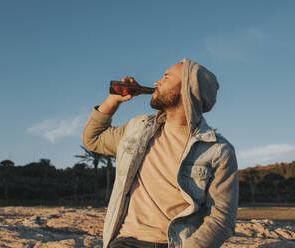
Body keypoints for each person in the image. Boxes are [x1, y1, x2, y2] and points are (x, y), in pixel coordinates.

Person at [82, 58, 239, 248]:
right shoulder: (137, 129)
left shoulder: (219, 151)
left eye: (166, 77)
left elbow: (221, 219)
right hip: (127, 241)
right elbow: (93, 139)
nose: (157, 82)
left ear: (186, 89)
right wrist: (113, 99)